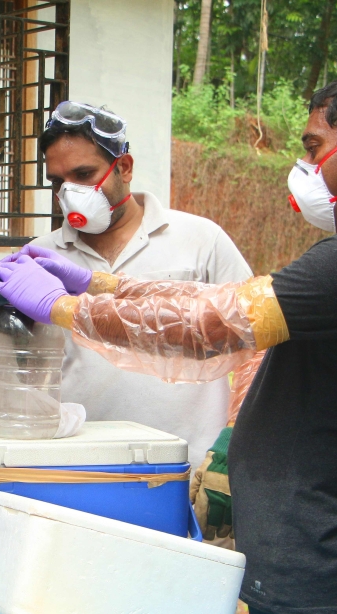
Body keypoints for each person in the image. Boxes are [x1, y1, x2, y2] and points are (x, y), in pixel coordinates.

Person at [0, 71, 337, 614]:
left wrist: (63, 305)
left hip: (320, 569)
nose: (306, 168)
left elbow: (212, 323)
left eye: (311, 147)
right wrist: (104, 284)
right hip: (312, 555)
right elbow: (218, 308)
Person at [21, 101, 252, 473]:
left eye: (84, 174)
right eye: (58, 182)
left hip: (189, 465)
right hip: (82, 465)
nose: (70, 193)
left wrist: (231, 442)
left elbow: (255, 341)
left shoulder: (201, 239)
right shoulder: (43, 256)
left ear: (124, 168)